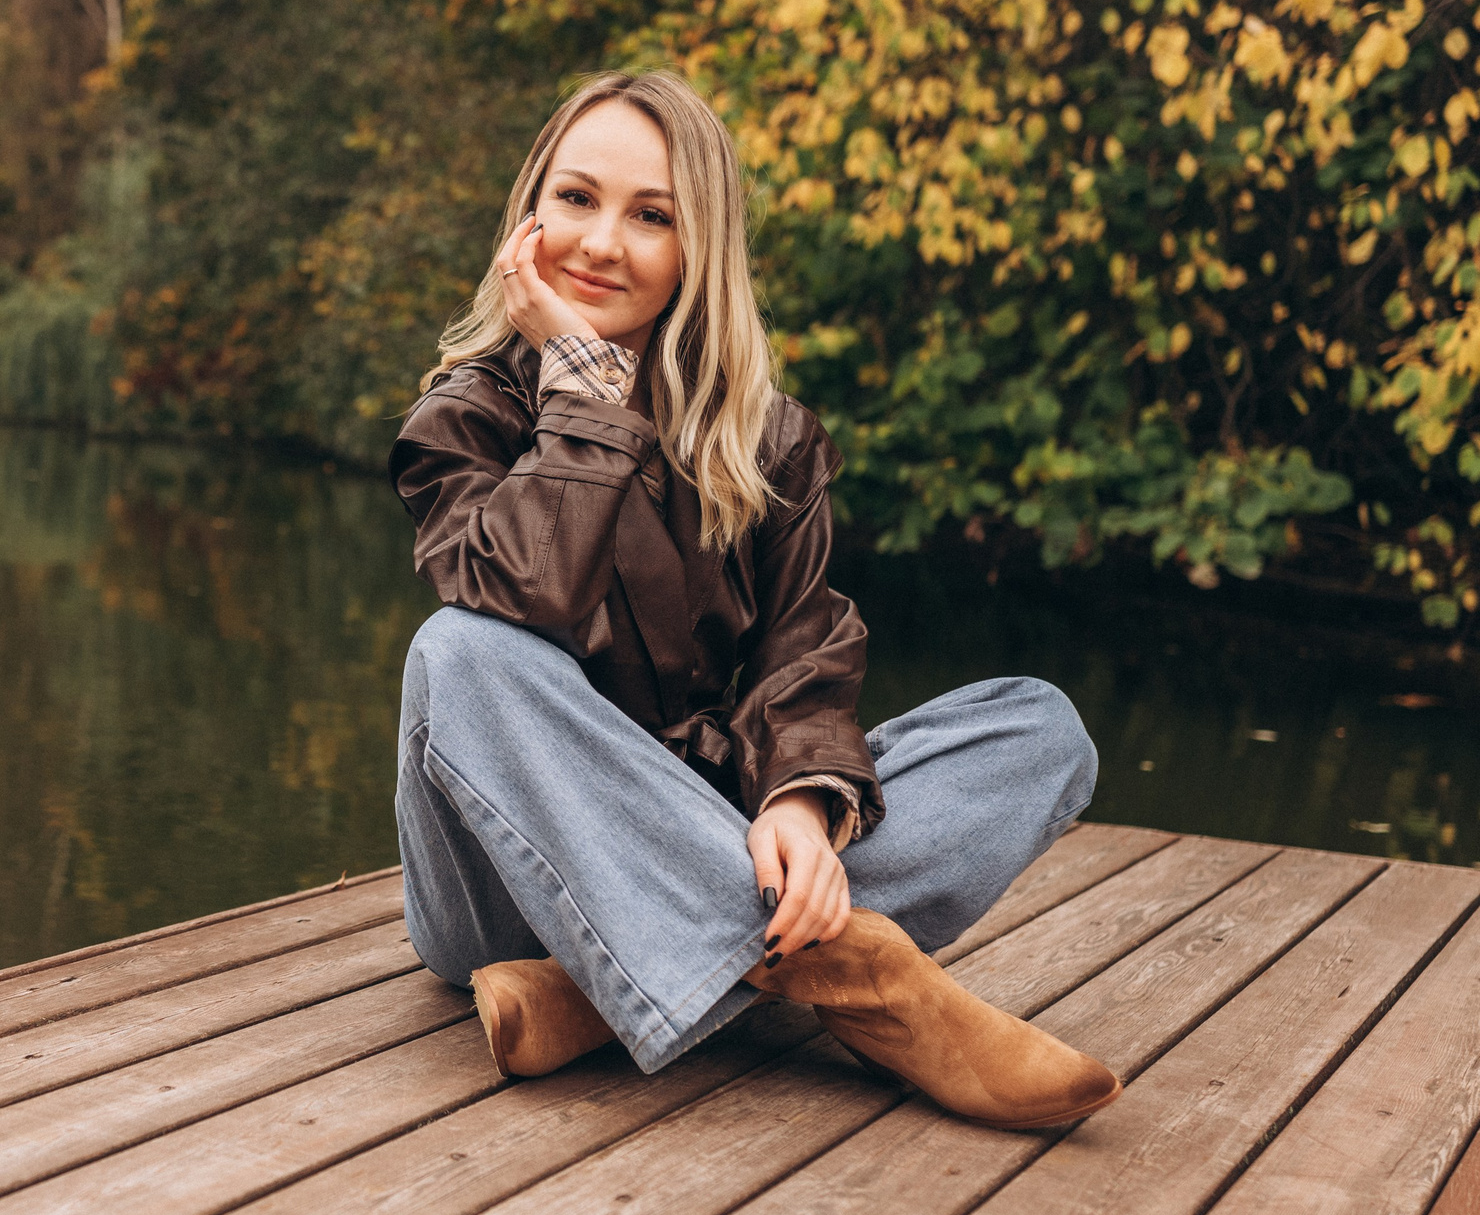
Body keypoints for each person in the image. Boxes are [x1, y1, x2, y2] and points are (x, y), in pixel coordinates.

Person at [388, 69, 1119, 1130]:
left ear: (700, 248)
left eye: (652, 216)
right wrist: (582, 392)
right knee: (459, 652)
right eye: (578, 198)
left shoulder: (769, 438)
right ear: (527, 216)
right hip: (497, 889)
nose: (600, 241)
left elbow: (804, 646)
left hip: (708, 809)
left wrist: (802, 800)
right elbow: (520, 594)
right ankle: (854, 976)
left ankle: (596, 993)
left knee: (1037, 729)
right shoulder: (462, 416)